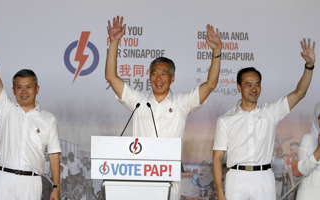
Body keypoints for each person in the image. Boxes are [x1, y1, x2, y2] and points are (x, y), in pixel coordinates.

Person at [105, 16, 222, 200]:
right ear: (148, 76)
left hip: (169, 182)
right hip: (140, 180)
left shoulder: (182, 103)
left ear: (172, 78)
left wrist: (216, 51)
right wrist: (114, 43)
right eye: (154, 74)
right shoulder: (138, 101)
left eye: (163, 74)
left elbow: (210, 85)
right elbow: (111, 77)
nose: (158, 79)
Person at [212, 38, 315, 200]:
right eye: (249, 84)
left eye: (257, 84)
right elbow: (217, 158)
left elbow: (299, 93)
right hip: (236, 178)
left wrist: (309, 66)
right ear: (239, 87)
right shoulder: (225, 119)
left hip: (264, 178)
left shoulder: (270, 112)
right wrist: (219, 192)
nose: (254, 89)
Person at [0, 25, 61, 200]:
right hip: (3, 180)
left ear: (37, 89)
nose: (24, 91)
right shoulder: (7, 109)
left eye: (28, 87)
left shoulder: (49, 119)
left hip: (30, 184)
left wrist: (56, 187)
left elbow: (53, 155)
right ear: (13, 90)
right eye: (19, 87)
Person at [296, 102, 320, 199]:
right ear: (315, 118)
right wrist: (318, 149)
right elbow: (304, 170)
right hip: (308, 194)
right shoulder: (307, 139)